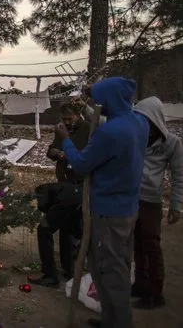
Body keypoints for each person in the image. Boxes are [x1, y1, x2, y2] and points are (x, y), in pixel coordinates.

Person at [55, 77, 149, 328]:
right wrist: (89, 96)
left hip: (107, 212)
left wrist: (66, 139)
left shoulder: (109, 133)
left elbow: (81, 165)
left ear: (108, 99)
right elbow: (104, 118)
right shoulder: (138, 122)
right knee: (114, 267)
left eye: (99, 98)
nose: (96, 103)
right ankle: (111, 320)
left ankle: (120, 323)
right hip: (128, 208)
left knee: (110, 273)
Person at [30, 103, 90, 287]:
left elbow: (86, 159)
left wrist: (67, 154)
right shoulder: (62, 130)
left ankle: (51, 274)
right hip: (63, 185)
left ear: (78, 115)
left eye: (69, 118)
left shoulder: (89, 130)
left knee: (47, 227)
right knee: (66, 228)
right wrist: (55, 153)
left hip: (79, 186)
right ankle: (68, 269)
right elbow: (51, 150)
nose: (65, 122)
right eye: (63, 118)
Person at [131, 96, 183, 309]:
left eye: (147, 120)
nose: (144, 124)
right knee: (137, 244)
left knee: (151, 245)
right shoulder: (136, 136)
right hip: (132, 198)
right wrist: (88, 107)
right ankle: (141, 284)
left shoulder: (171, 142)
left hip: (151, 202)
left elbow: (179, 175)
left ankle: (156, 292)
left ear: (155, 119)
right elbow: (106, 121)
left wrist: (176, 205)